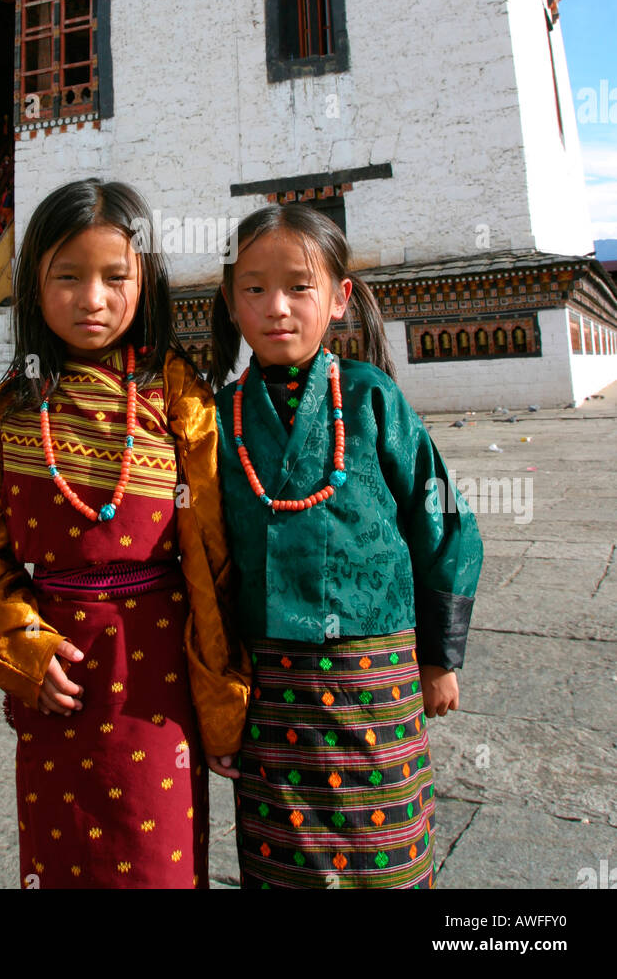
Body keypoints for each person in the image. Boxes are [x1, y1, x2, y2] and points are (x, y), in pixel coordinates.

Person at [0, 179, 250, 889]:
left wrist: (222, 693)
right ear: (33, 284)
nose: (92, 298)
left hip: (158, 671)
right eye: (67, 276)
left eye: (115, 276)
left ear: (144, 280)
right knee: (63, 861)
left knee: (159, 860)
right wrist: (17, 645)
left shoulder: (176, 391)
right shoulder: (7, 410)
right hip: (57, 669)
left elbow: (209, 551)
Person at [208, 203, 484, 890]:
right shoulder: (217, 420)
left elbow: (443, 521)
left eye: (300, 286)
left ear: (339, 299)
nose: (277, 307)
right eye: (254, 288)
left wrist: (439, 657)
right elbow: (203, 560)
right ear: (229, 300)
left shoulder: (370, 399)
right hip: (274, 691)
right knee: (284, 867)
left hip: (375, 677)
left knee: (381, 856)